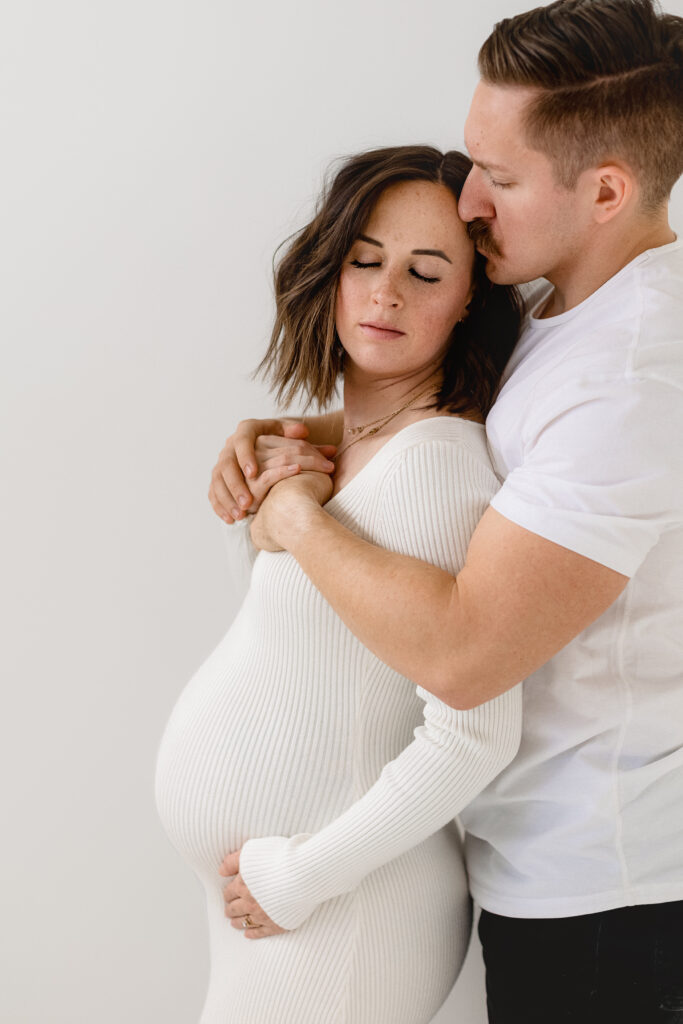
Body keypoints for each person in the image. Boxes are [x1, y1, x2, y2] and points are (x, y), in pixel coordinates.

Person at [209, 2, 683, 1021]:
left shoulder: (632, 375)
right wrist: (295, 437)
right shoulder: (564, 300)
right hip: (537, 867)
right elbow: (473, 437)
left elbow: (467, 654)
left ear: (604, 190)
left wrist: (295, 517)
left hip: (608, 898)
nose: (465, 202)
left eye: (498, 180)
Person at [156, 146, 525, 1024]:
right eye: (364, 260)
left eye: (424, 272)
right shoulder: (354, 447)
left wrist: (300, 877)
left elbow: (473, 734)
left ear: (468, 295)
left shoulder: (438, 466)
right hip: (288, 906)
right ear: (327, 267)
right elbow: (306, 647)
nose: (385, 292)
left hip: (341, 907)